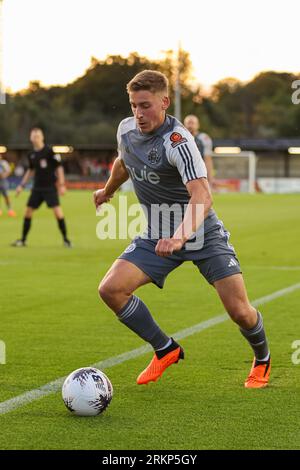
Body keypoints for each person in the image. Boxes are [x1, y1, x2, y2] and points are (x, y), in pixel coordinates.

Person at [94, 70, 271, 389]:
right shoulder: (126, 129)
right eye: (133, 105)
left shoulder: (179, 142)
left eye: (145, 105)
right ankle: (166, 349)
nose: (138, 114)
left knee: (240, 311)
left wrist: (180, 236)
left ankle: (261, 359)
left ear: (164, 102)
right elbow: (124, 163)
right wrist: (107, 191)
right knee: (111, 289)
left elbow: (202, 196)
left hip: (201, 233)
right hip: (156, 235)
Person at [12, 127, 72, 247]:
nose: (35, 138)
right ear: (30, 138)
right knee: (28, 212)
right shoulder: (31, 155)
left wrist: (61, 185)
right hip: (37, 188)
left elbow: (59, 168)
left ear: (42, 137)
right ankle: (23, 240)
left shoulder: (50, 151)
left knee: (58, 213)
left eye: (37, 136)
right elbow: (30, 171)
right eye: (33, 136)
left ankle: (66, 240)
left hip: (50, 188)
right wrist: (21, 186)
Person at [183, 114, 215, 188]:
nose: (190, 125)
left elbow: (208, 159)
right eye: (188, 123)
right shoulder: (180, 138)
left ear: (198, 125)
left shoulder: (204, 138)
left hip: (199, 173)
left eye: (192, 123)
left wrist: (210, 178)